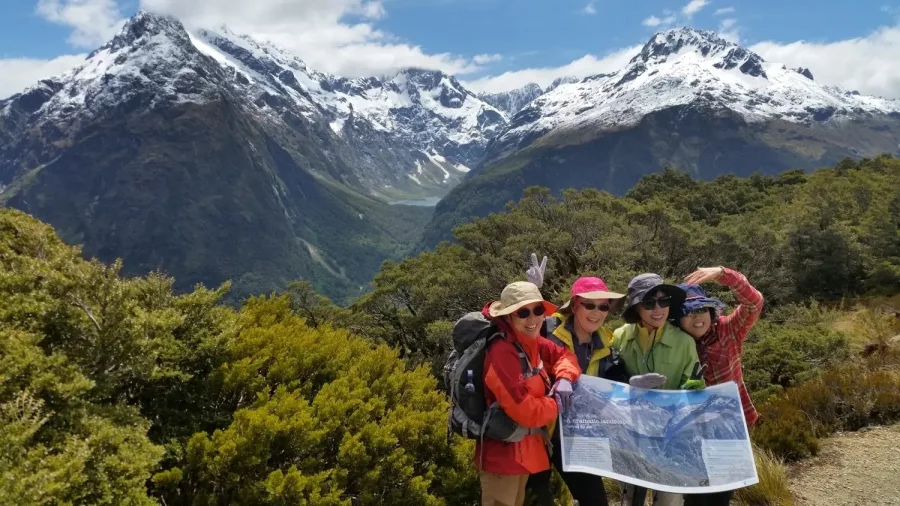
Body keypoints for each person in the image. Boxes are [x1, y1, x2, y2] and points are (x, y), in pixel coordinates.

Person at [523, 256, 629, 506]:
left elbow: (609, 388)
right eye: (589, 305)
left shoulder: (607, 344)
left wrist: (634, 387)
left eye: (604, 307)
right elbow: (514, 326)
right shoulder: (547, 329)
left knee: (595, 501)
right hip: (536, 433)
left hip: (576, 437)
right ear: (575, 306)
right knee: (537, 500)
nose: (597, 313)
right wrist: (530, 293)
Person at [477, 280, 582, 506]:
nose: (533, 319)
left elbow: (566, 356)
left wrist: (564, 378)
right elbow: (523, 410)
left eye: (538, 310)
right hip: (503, 458)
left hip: (524, 451)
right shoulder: (501, 352)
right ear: (508, 317)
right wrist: (557, 403)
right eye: (523, 312)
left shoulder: (531, 342)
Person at [674, 266, 764, 506]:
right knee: (694, 495)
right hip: (690, 432)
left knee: (722, 495)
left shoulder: (728, 330)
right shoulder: (674, 343)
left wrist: (723, 274)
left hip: (730, 427)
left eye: (702, 309)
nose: (697, 317)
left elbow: (754, 304)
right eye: (688, 312)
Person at [612, 273, 703, 506]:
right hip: (631, 432)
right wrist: (627, 385)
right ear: (636, 307)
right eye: (649, 303)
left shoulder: (684, 342)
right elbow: (609, 381)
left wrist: (690, 388)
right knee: (630, 497)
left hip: (672, 435)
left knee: (669, 499)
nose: (658, 309)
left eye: (664, 301)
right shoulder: (619, 337)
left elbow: (693, 385)